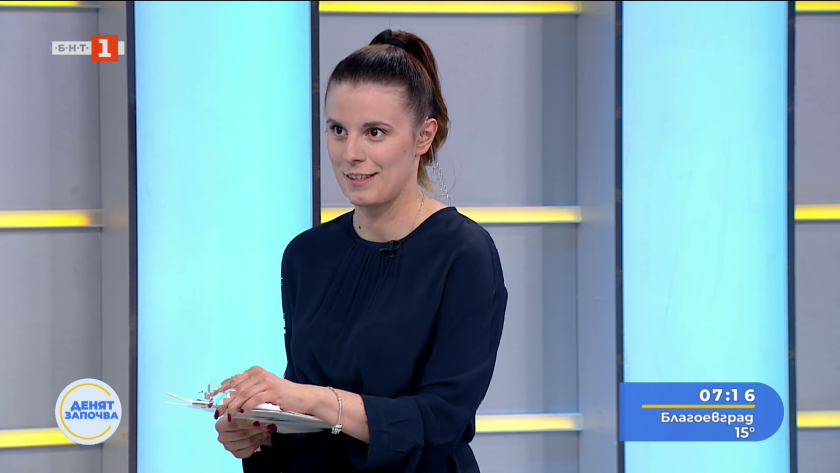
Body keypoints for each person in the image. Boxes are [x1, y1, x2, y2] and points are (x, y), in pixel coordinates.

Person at [211, 29, 508, 473]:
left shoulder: (463, 255)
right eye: (338, 130)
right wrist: (261, 434)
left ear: (424, 136)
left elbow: (441, 421)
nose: (350, 153)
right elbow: (305, 412)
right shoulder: (306, 255)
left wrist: (313, 399)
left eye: (374, 132)